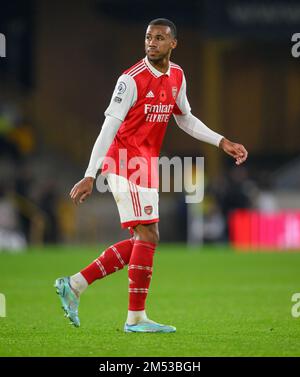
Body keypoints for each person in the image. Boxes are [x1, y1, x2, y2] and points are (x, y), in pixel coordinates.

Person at [54, 18, 248, 333]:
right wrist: (90, 174)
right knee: (147, 237)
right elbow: (108, 129)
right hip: (123, 162)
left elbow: (185, 118)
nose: (152, 43)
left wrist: (221, 141)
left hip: (146, 165)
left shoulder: (177, 75)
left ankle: (75, 284)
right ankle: (135, 318)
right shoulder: (130, 80)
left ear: (173, 43)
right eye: (148, 37)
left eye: (159, 38)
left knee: (146, 238)